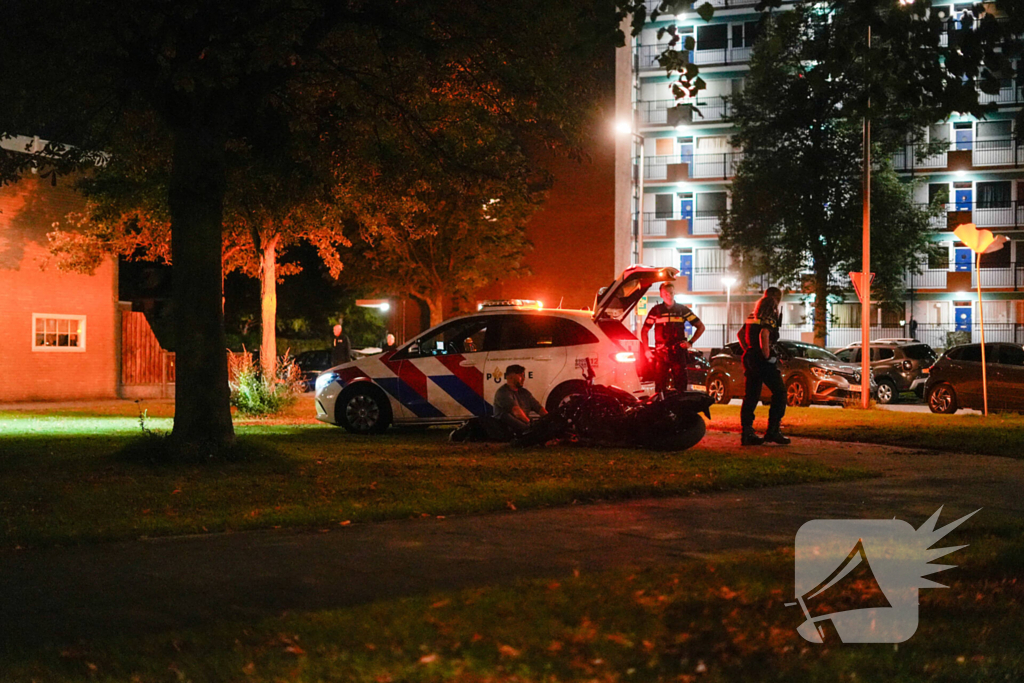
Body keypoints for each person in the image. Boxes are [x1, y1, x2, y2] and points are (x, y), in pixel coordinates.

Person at [738, 286, 789, 446]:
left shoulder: (752, 316)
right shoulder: (769, 316)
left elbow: (740, 334)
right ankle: (773, 431)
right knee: (780, 393)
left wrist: (749, 349)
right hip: (762, 361)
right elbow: (764, 334)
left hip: (750, 358)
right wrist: (767, 355)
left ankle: (747, 432)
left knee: (751, 396)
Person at [640, 281, 705, 393]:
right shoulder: (656, 311)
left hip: (678, 353)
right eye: (665, 293)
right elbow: (644, 330)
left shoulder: (682, 310)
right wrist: (646, 350)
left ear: (674, 292)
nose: (668, 295)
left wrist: (690, 342)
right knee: (659, 387)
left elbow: (700, 327)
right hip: (661, 353)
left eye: (670, 292)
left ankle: (680, 409)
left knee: (681, 387)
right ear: (660, 294)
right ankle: (660, 409)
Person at [493, 364, 547, 433]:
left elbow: (538, 408)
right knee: (506, 416)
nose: (523, 378)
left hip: (524, 425)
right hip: (508, 429)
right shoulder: (502, 393)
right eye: (521, 376)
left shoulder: (524, 393)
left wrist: (549, 419)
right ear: (511, 376)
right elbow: (516, 412)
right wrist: (530, 424)